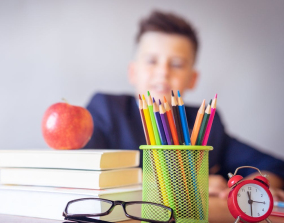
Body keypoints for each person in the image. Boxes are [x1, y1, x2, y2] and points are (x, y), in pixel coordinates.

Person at [84, 10, 284, 201]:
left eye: (177, 64)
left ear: (192, 79)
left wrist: (255, 187)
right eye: (152, 61)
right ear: (133, 72)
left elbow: (273, 166)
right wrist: (188, 184)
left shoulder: (206, 122)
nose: (163, 72)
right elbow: (83, 172)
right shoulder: (107, 109)